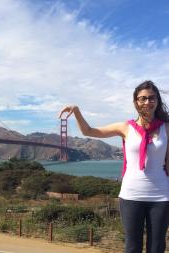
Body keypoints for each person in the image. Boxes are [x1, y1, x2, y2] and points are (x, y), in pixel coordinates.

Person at [58, 80, 169, 253]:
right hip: (131, 195)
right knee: (132, 248)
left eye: (152, 98)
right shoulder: (125, 127)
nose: (147, 102)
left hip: (161, 196)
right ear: (136, 102)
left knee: (157, 248)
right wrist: (77, 112)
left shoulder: (166, 128)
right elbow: (89, 131)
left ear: (157, 100)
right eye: (143, 98)